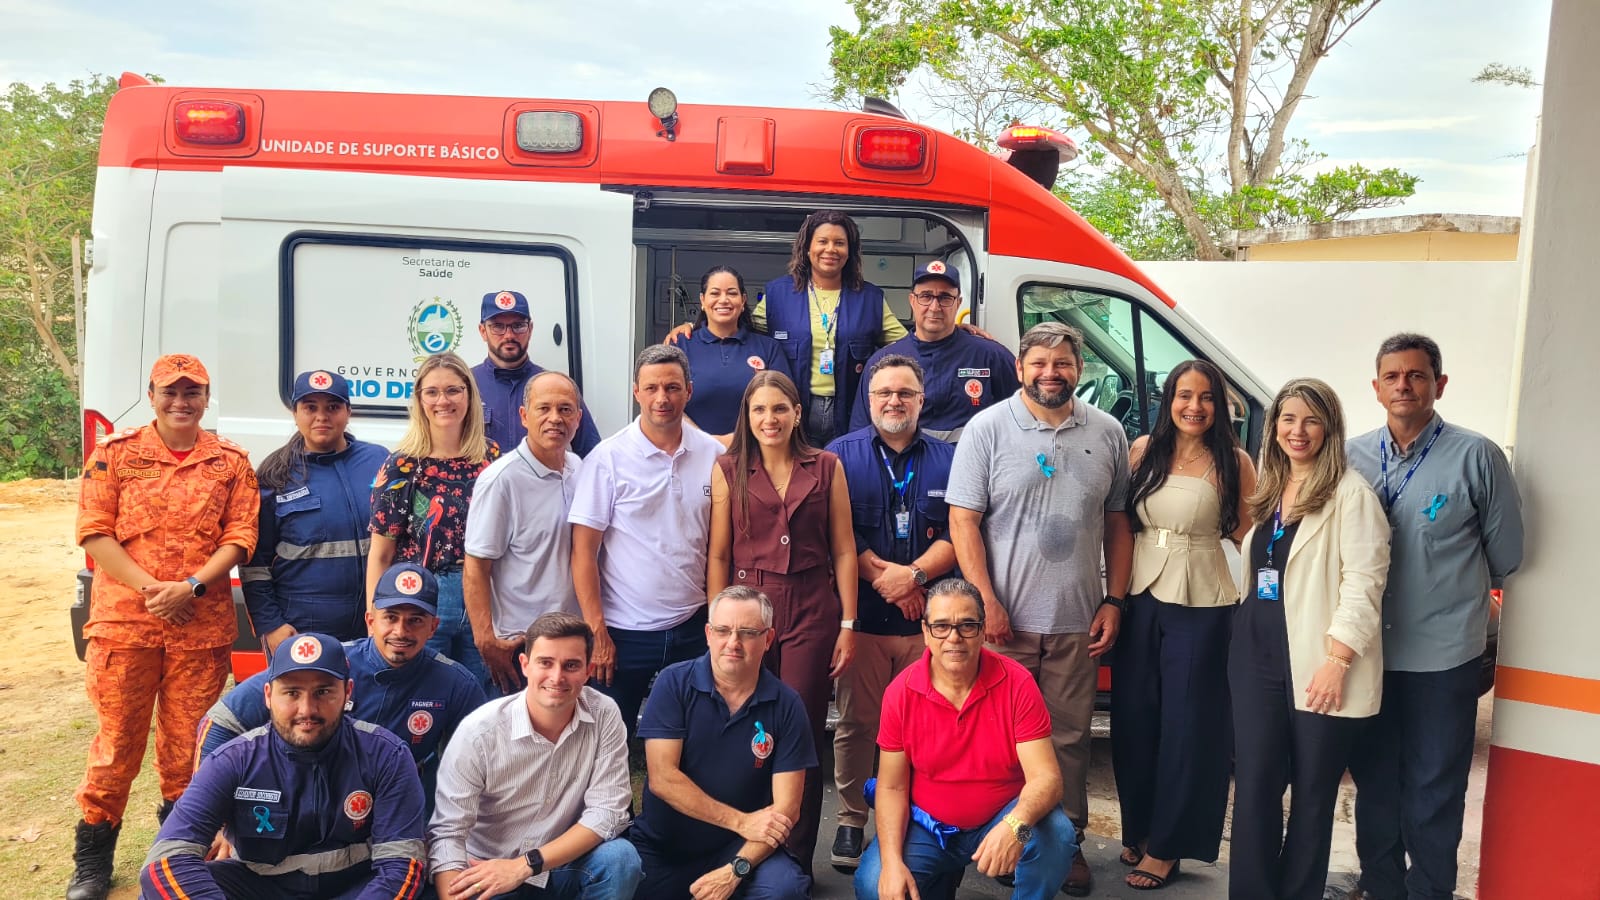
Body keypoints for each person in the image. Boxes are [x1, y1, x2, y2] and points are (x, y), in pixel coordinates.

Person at [945, 321, 1132, 896]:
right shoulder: (987, 428)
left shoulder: (1106, 432)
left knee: (1071, 737)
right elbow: (963, 522)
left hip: (1077, 622)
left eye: (1064, 363)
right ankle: (1008, 837)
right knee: (1002, 739)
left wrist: (1114, 600)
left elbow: (1117, 522)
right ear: (1022, 367)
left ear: (1080, 369)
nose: (1052, 372)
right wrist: (986, 604)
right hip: (1005, 624)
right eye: (1040, 362)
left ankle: (1066, 842)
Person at [68, 353, 259, 900]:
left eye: (192, 392)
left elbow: (241, 534)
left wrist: (192, 587)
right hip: (125, 627)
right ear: (151, 395)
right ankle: (91, 863)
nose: (181, 402)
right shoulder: (115, 456)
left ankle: (180, 855)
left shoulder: (230, 463)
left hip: (199, 631)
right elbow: (94, 532)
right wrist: (155, 589)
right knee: (116, 747)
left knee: (189, 752)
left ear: (205, 399)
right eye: (170, 392)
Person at [1346, 334, 1523, 900]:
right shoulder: (1349, 458)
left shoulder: (1478, 457)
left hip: (1443, 658)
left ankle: (1428, 893)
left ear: (1438, 385)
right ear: (1376, 388)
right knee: (1373, 784)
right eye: (1392, 376)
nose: (1404, 385)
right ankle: (1380, 889)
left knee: (1434, 787)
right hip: (1366, 653)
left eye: (1417, 375)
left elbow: (1507, 556)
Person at [1228, 377, 1390, 900]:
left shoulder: (1351, 495)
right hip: (1257, 658)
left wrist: (1338, 659)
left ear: (1330, 429)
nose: (1298, 431)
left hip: (1318, 663)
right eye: (1288, 419)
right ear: (1274, 427)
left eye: (1311, 420)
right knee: (1254, 789)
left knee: (1313, 797)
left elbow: (1365, 580)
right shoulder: (1272, 491)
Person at [1111, 359, 1257, 890]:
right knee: (1135, 718)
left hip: (1203, 602)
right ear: (1168, 399)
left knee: (1189, 727)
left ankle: (1170, 846)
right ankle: (1142, 829)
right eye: (1184, 395)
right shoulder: (1142, 451)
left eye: (1206, 398)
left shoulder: (1234, 460)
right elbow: (1122, 525)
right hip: (1140, 595)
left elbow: (1248, 533)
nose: (1194, 407)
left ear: (1220, 406)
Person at [706, 369, 859, 872]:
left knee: (799, 729)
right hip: (748, 607)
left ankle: (793, 858)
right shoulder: (727, 469)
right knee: (742, 724)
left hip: (812, 607)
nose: (769, 419)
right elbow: (720, 552)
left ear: (797, 413)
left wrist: (848, 623)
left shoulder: (828, 466)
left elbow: (843, 548)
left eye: (779, 408)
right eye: (758, 410)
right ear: (746, 418)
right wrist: (718, 622)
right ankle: (739, 845)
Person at [141, 633, 427, 899]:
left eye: (323, 692)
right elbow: (167, 857)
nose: (307, 710)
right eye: (291, 693)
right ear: (267, 695)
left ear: (347, 692)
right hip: (257, 886)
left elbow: (401, 867)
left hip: (352, 886)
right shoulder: (233, 760)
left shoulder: (386, 755)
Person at [197, 562, 486, 816]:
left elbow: (479, 764)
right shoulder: (328, 663)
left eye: (415, 621)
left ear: (433, 627)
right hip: (311, 809)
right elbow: (221, 721)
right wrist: (217, 814)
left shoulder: (455, 683)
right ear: (370, 621)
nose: (401, 631)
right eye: (391, 618)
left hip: (398, 814)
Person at [853, 578, 1078, 900]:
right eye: (942, 626)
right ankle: (938, 878)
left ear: (983, 630)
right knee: (874, 885)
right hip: (927, 826)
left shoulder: (1017, 683)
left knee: (1056, 836)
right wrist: (891, 864)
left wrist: (1016, 825)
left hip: (1001, 818)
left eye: (967, 625)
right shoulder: (900, 693)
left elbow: (1047, 779)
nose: (954, 638)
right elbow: (891, 786)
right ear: (926, 632)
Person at [824, 354, 958, 870]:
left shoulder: (952, 458)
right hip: (866, 622)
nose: (894, 401)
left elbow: (961, 529)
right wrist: (887, 580)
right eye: (884, 393)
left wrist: (915, 576)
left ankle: (916, 817)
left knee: (926, 726)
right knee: (858, 723)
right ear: (869, 399)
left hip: (930, 625)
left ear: (922, 400)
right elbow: (834, 533)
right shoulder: (840, 456)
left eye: (905, 393)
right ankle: (852, 820)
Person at [569, 344, 724, 737]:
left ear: (689, 391)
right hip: (623, 633)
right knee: (609, 742)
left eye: (672, 388)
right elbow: (583, 553)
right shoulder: (607, 459)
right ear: (636, 391)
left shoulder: (714, 454)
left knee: (694, 736)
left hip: (692, 625)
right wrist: (597, 633)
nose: (662, 398)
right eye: (651, 388)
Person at [429, 613, 641, 900]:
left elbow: (606, 812)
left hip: (559, 866)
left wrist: (525, 866)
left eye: (571, 665)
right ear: (525, 665)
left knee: (620, 859)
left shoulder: (604, 713)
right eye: (546, 663)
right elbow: (448, 833)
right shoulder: (480, 732)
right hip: (488, 873)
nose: (557, 677)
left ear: (588, 670)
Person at [626, 586, 815, 900]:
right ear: (708, 634)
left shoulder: (787, 704)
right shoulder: (673, 683)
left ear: (768, 639)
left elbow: (787, 810)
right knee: (620, 877)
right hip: (663, 848)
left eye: (748, 633)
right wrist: (740, 821)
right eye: (723, 630)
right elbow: (663, 779)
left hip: (740, 850)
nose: (733, 643)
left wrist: (736, 869)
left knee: (785, 890)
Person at [368, 352, 501, 691]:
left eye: (454, 390)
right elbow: (382, 553)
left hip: (486, 593)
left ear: (469, 396)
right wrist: (375, 621)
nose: (443, 400)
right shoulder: (401, 466)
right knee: (420, 697)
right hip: (422, 595)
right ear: (419, 400)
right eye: (432, 392)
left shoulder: (492, 459)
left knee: (478, 699)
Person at [242, 369, 389, 654]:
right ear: (295, 413)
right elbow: (254, 564)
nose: (322, 416)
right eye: (310, 407)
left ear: (349, 412)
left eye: (333, 407)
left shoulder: (378, 461)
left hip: (372, 625)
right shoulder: (275, 476)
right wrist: (270, 625)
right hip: (301, 629)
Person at [464, 371, 585, 695]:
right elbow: (476, 566)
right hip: (522, 647)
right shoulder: (501, 481)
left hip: (572, 644)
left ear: (578, 418)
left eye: (565, 409)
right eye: (543, 409)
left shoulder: (580, 471)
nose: (555, 419)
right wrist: (486, 640)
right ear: (524, 416)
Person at [849, 262, 1019, 442]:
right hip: (904, 468)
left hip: (972, 467)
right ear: (912, 301)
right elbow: (861, 434)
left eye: (945, 298)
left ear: (958, 303)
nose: (934, 307)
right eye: (926, 296)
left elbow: (1023, 416)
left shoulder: (990, 356)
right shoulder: (883, 362)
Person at [471, 289, 602, 457]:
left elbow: (593, 455)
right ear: (483, 331)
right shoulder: (464, 385)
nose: (509, 335)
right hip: (482, 483)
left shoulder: (556, 387)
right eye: (498, 326)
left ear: (530, 329)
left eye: (518, 326)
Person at [668, 265, 796, 437]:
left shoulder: (768, 348)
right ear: (702, 301)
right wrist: (708, 443)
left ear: (743, 300)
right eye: (715, 293)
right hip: (693, 453)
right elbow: (667, 403)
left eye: (731, 293)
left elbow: (784, 404)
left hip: (755, 454)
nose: (723, 300)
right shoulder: (680, 346)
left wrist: (738, 443)